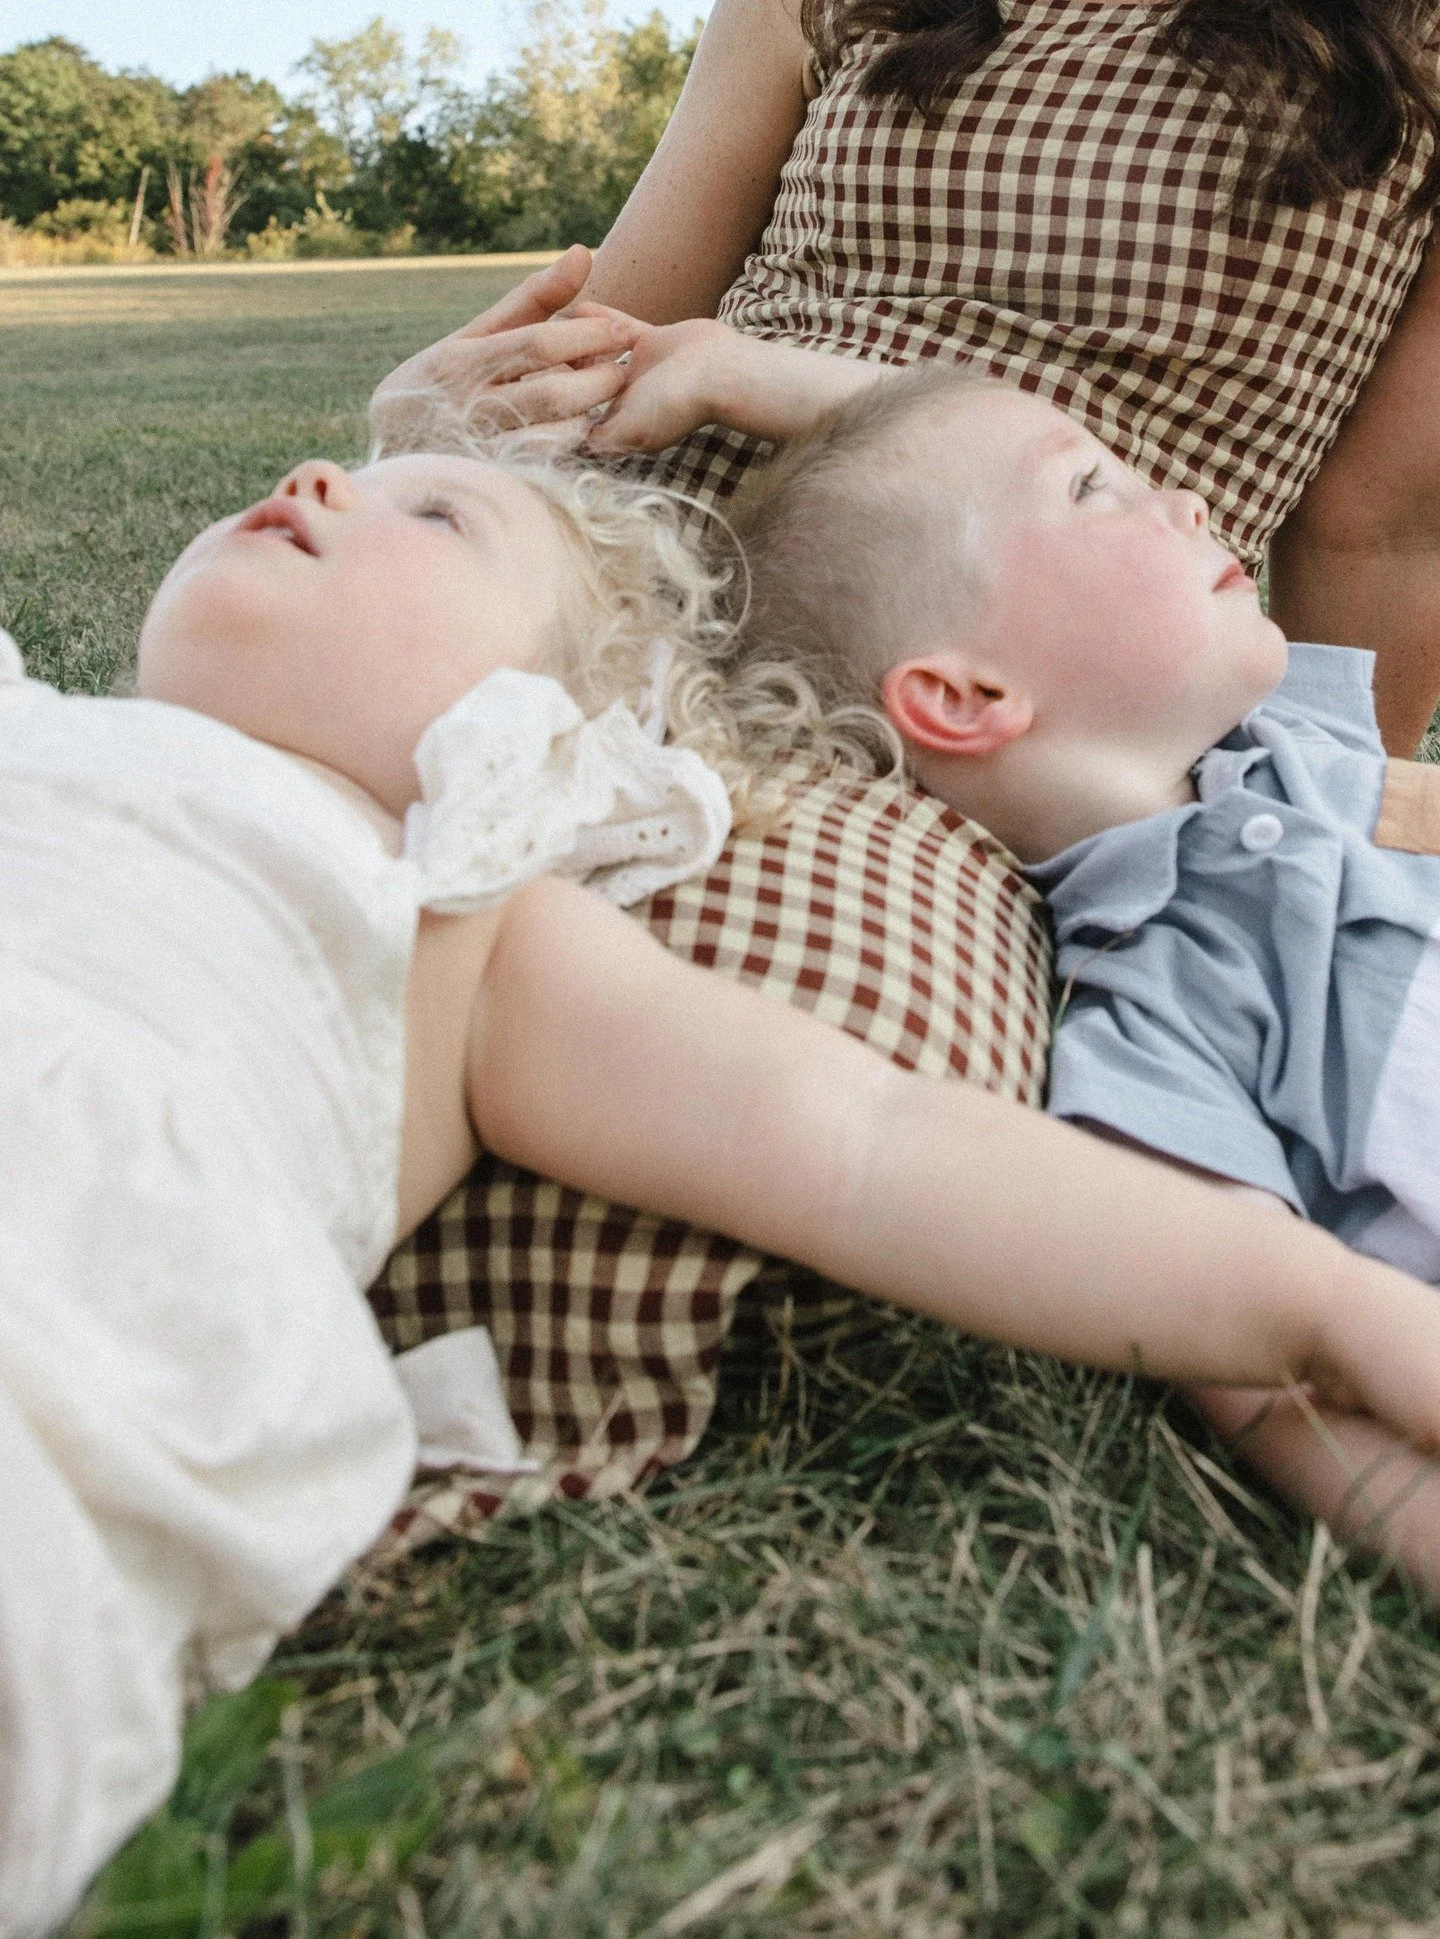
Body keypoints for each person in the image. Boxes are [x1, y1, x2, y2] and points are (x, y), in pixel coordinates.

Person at [7, 431, 1440, 1934]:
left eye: (435, 515)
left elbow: (871, 1144)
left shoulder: (468, 923)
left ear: (547, 721)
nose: (318, 478)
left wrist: (1323, 1308)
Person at [641, 342, 1440, 1594]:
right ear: (966, 696)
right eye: (1093, 488)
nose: (1185, 497)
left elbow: (955, 470)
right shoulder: (1149, 1017)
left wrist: (732, 372)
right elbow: (1262, 1379)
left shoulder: (1296, 752)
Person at [372, 0, 1440, 752]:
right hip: (619, 591)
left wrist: (1336, 854)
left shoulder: (1411, 37)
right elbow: (614, 341)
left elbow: (1383, 533)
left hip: (1019, 700)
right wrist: (429, 436)